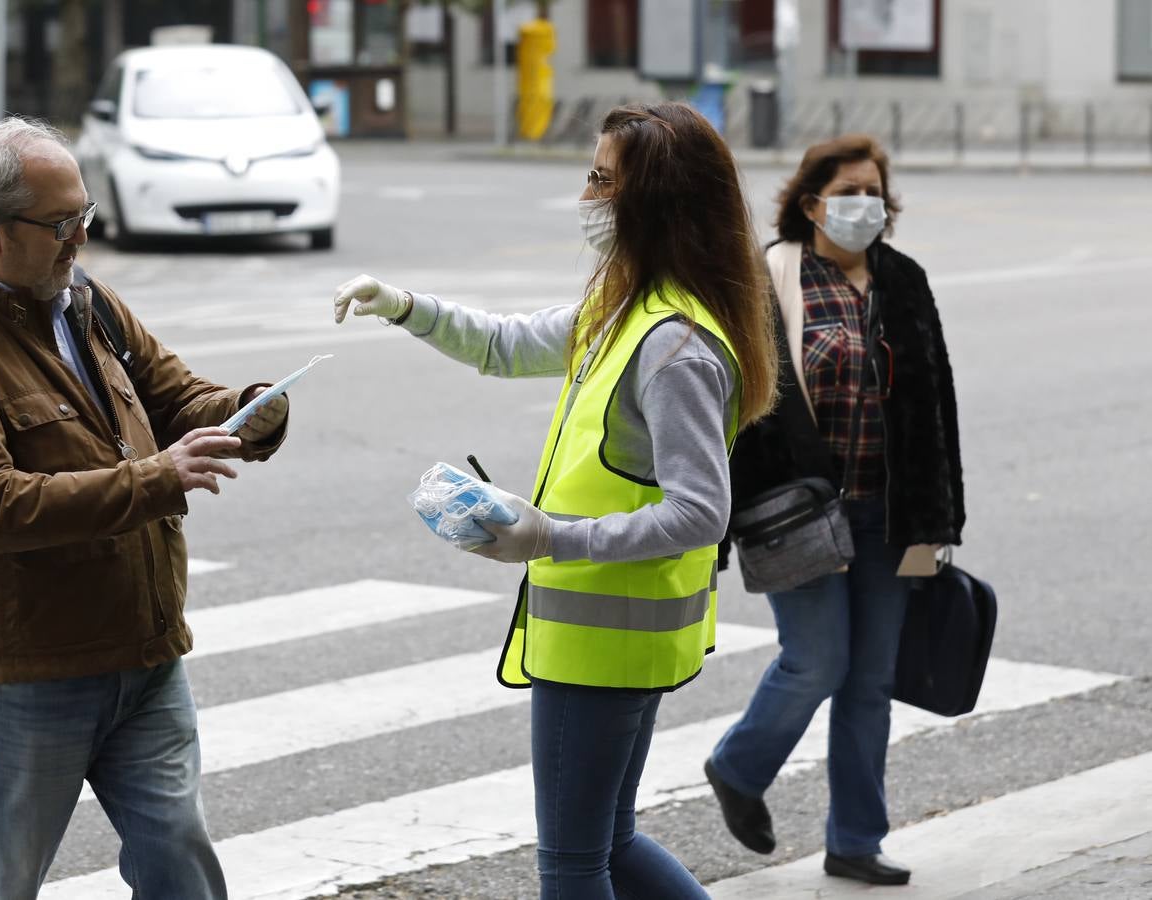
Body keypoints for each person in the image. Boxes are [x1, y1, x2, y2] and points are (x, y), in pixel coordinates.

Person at [333, 102, 778, 900]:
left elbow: (699, 512)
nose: (588, 195)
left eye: (604, 180)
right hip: (615, 634)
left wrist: (548, 536)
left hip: (603, 641)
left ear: (656, 203)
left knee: (573, 864)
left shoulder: (671, 345)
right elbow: (503, 344)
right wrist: (400, 303)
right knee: (609, 842)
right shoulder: (627, 310)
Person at [0, 117, 290, 900]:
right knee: (3, 877)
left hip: (143, 652)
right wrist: (155, 480)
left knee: (179, 856)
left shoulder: (85, 301)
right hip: (28, 669)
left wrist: (249, 409)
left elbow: (176, 397)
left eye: (85, 217)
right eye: (60, 224)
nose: (80, 238)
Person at [705, 135, 965, 887]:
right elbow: (743, 400)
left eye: (873, 192)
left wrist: (935, 526)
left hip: (890, 513)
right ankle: (737, 766)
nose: (863, 205)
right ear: (812, 200)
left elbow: (933, 406)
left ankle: (855, 839)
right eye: (848, 190)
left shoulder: (903, 280)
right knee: (816, 661)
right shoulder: (772, 273)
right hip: (798, 511)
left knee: (869, 681)